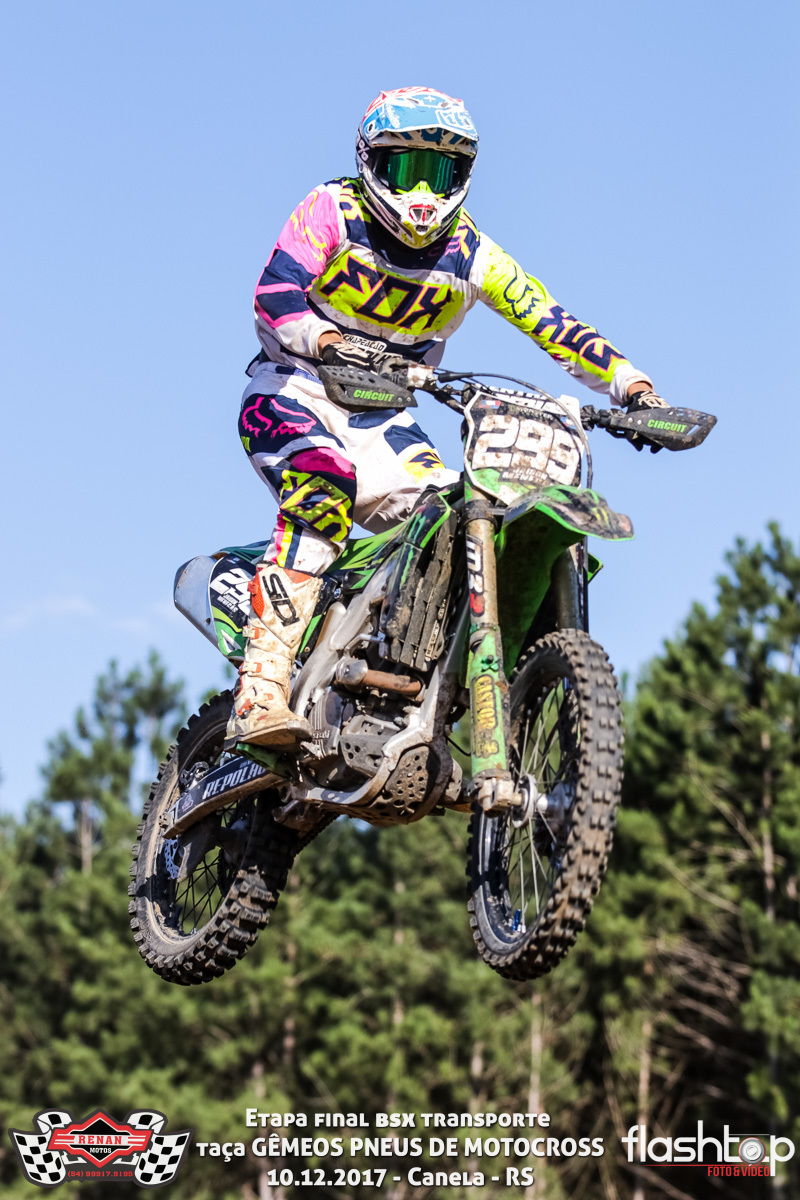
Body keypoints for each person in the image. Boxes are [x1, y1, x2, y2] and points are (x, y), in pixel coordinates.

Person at [228, 85, 664, 750]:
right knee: (322, 483)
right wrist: (325, 339)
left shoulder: (471, 253)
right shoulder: (332, 210)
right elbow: (275, 293)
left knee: (456, 520)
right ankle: (261, 689)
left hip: (384, 421)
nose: (422, 192)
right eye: (407, 168)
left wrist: (631, 385)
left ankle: (405, 677)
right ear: (371, 161)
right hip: (294, 389)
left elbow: (549, 319)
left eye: (439, 173)